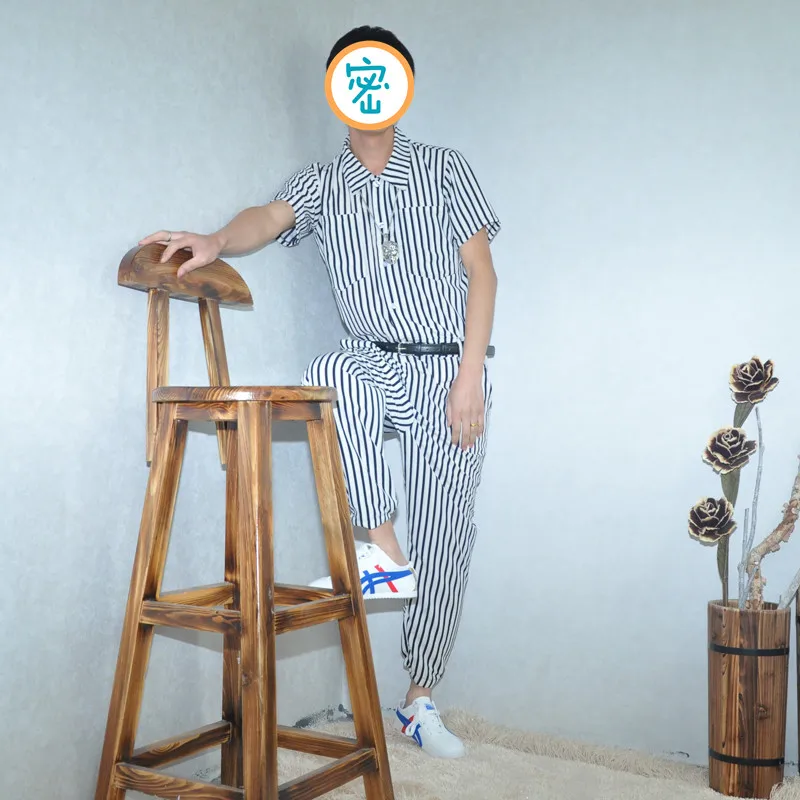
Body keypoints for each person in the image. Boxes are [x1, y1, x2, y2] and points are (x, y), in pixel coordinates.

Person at [139, 25, 500, 759]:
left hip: (448, 369)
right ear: (337, 91)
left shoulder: (444, 169)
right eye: (354, 77)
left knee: (447, 536)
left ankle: (419, 698)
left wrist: (470, 376)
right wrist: (216, 239)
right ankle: (381, 547)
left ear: (401, 89)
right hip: (375, 360)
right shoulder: (321, 181)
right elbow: (267, 218)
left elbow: (482, 273)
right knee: (334, 370)